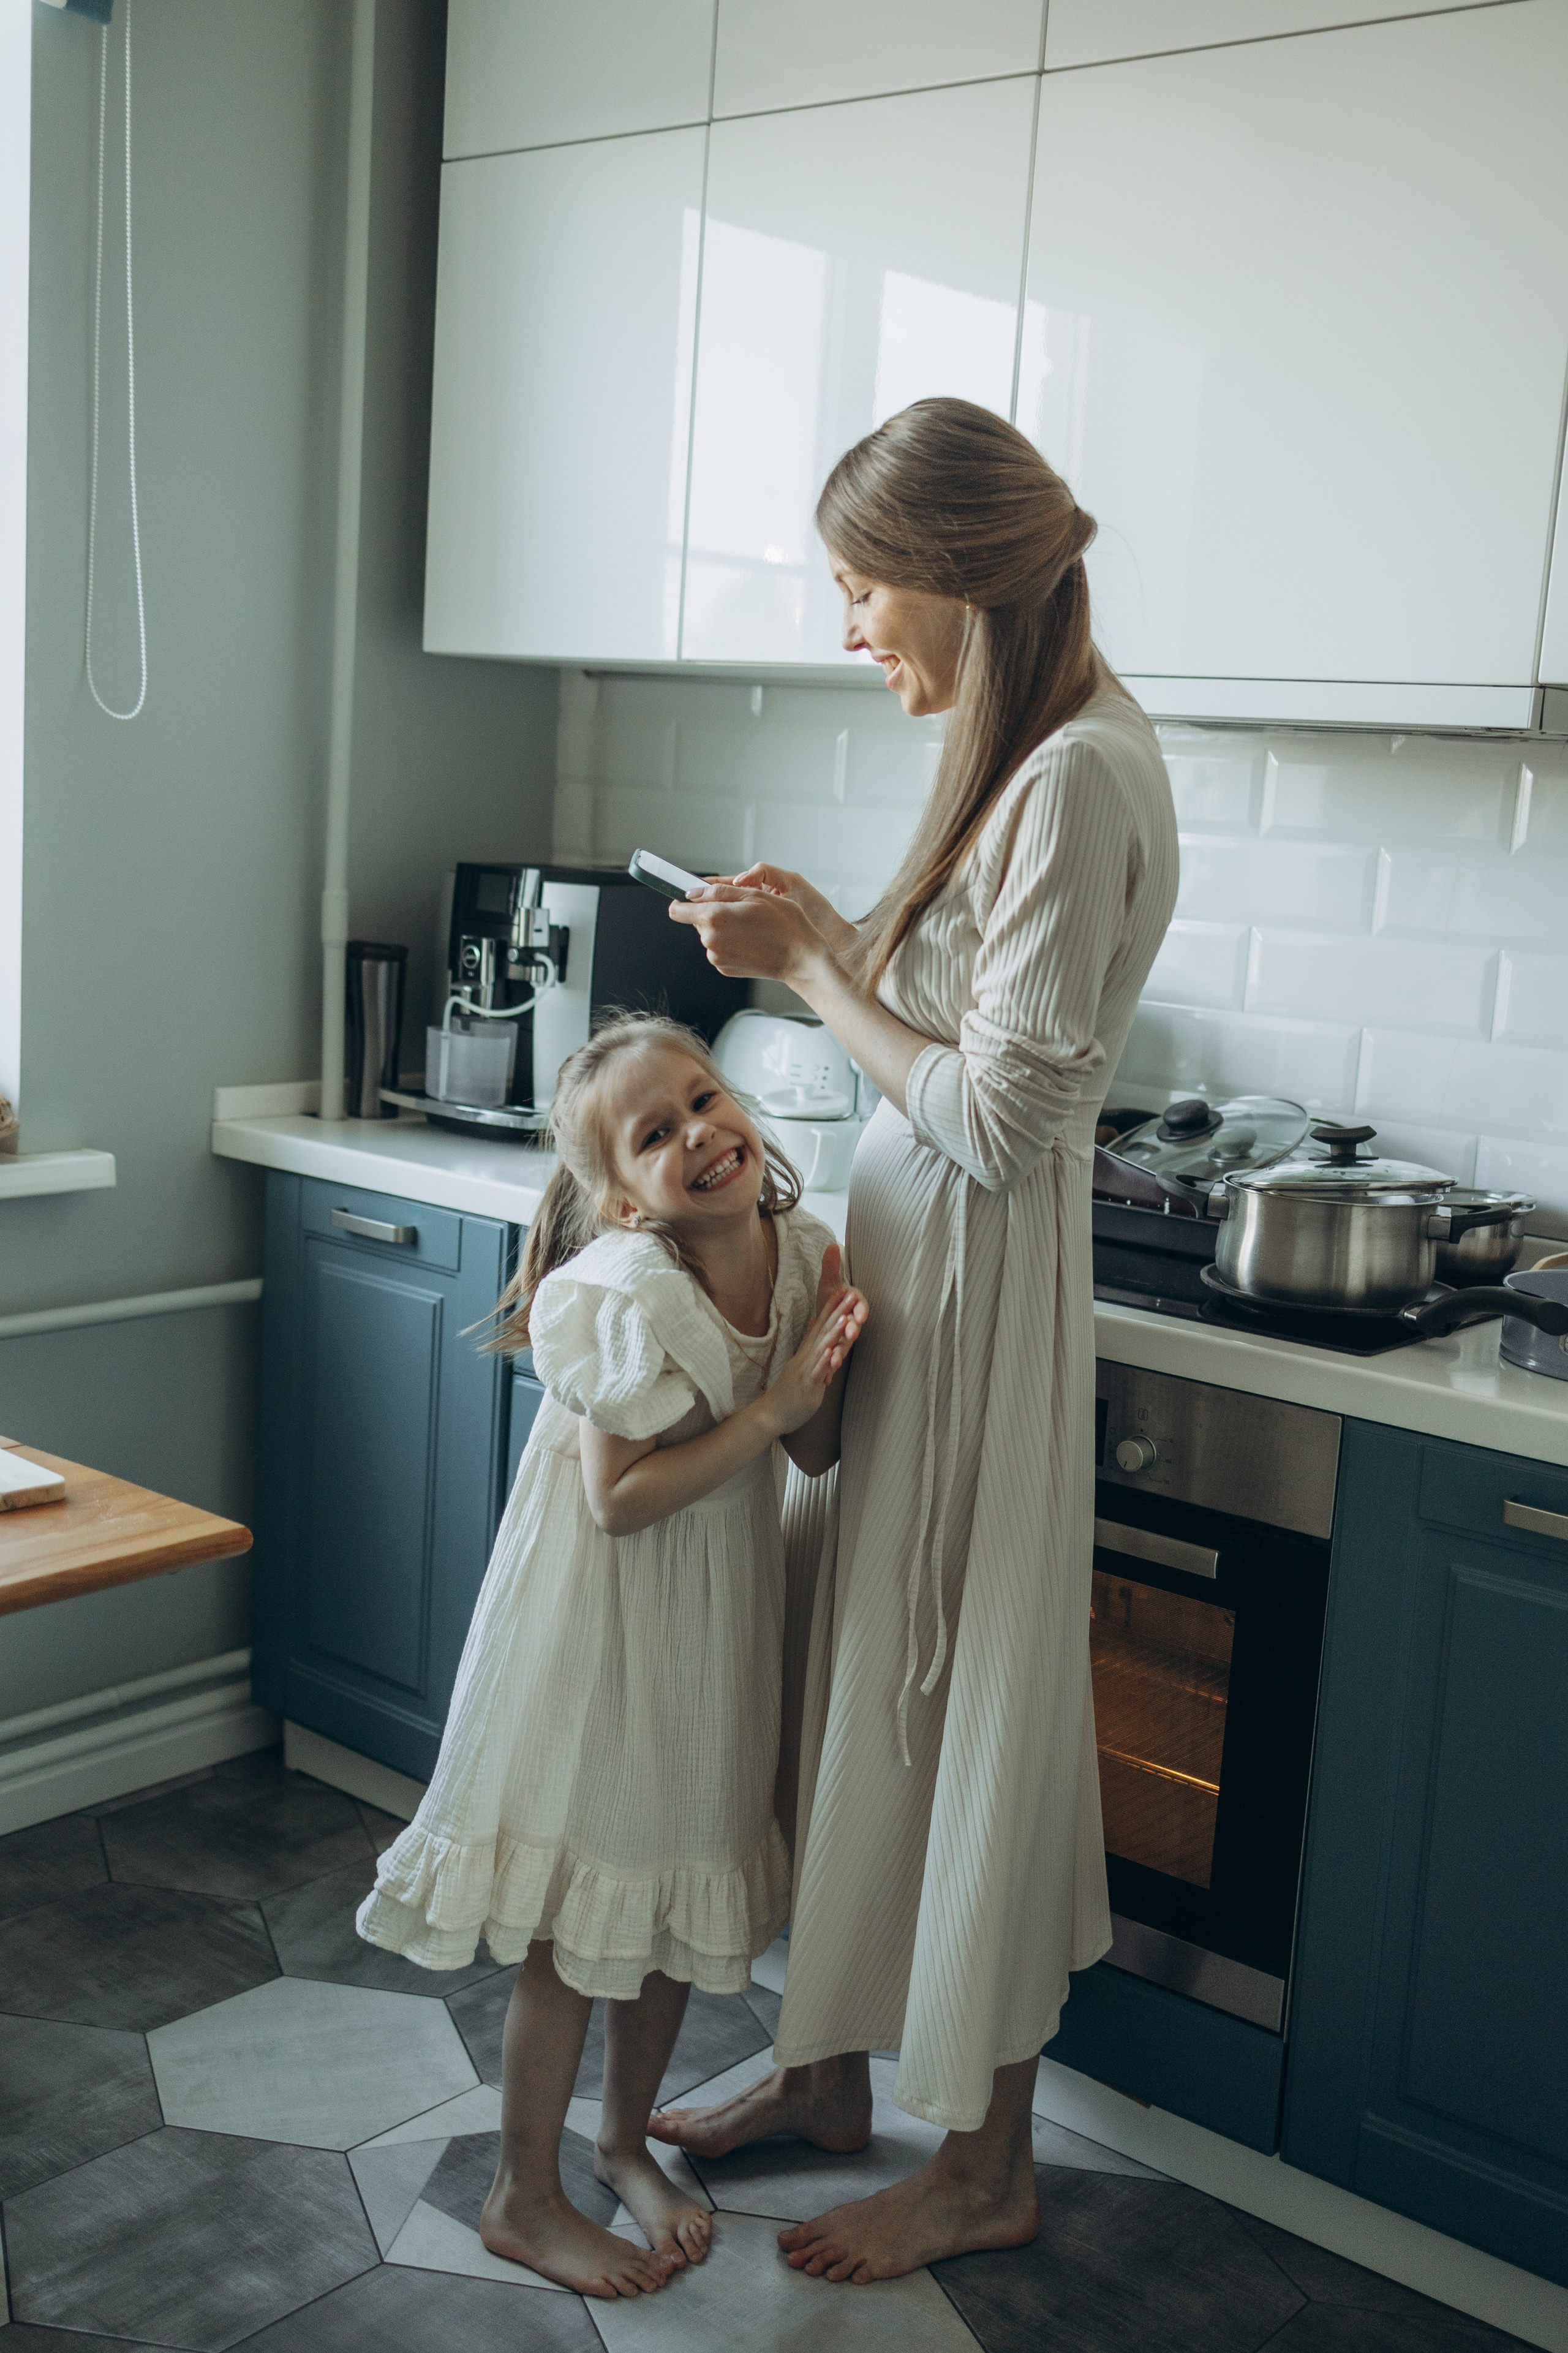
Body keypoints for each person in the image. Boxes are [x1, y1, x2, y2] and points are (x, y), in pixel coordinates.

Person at [649, 398, 1180, 2284]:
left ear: (955, 574)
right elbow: (955, 1044)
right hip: (921, 1301)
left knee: (970, 1705)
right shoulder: (1015, 752)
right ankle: (825, 2075)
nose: (851, 624)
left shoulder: (1077, 777)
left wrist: (811, 966)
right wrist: (815, 934)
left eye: (863, 585)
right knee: (865, 1686)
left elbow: (1003, 1122)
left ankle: (986, 2164)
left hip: (981, 1318)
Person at [356, 1012, 868, 2300]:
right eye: (655, 1133)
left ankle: (622, 2140)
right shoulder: (625, 1291)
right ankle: (520, 2195)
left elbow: (812, 1452)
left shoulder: (801, 1251)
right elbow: (616, 1500)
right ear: (623, 1198)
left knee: (672, 1888)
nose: (699, 1133)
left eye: (703, 1099)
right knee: (576, 1911)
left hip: (715, 1614)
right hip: (600, 1615)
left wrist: (823, 1358)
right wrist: (776, 1403)